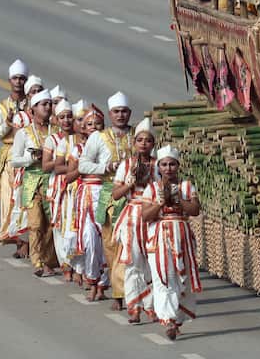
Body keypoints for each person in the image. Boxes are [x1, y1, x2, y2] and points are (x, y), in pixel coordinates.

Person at [78, 92, 134, 309]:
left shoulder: (138, 135)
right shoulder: (98, 138)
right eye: (116, 112)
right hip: (109, 195)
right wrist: (105, 168)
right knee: (111, 245)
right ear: (110, 114)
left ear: (129, 113)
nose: (120, 115)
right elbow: (83, 165)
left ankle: (136, 291)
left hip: (135, 197)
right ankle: (119, 293)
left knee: (134, 246)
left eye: (124, 111)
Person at [142, 146, 202, 341]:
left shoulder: (186, 186)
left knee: (182, 279)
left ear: (178, 166)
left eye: (172, 164)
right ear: (158, 167)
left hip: (182, 235)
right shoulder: (151, 189)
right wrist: (160, 203)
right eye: (164, 164)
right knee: (163, 278)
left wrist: (178, 201)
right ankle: (167, 319)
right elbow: (145, 216)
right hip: (159, 237)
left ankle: (177, 320)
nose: (168, 168)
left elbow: (194, 210)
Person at [111, 118, 158, 323]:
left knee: (153, 263)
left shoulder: (159, 165)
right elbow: (115, 194)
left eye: (147, 141)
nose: (143, 144)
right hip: (132, 217)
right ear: (134, 143)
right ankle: (134, 307)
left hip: (152, 217)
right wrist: (130, 184)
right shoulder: (126, 165)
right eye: (140, 140)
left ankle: (151, 305)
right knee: (132, 263)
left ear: (153, 144)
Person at [10, 88, 58, 277]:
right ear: (33, 109)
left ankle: (48, 261)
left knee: (50, 224)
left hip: (52, 181)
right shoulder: (24, 133)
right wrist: (31, 158)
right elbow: (15, 159)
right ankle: (37, 261)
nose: (47, 107)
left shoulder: (56, 131)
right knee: (36, 223)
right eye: (43, 104)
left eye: (49, 104)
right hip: (32, 181)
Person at [0, 59, 32, 249]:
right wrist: (7, 123)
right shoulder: (1, 107)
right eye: (15, 78)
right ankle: (15, 239)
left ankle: (27, 240)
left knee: (26, 198)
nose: (18, 82)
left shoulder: (33, 104)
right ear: (9, 80)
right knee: (10, 198)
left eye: (22, 78)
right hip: (10, 158)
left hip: (30, 156)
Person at [70, 104, 109, 299]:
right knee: (89, 239)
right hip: (86, 195)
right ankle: (92, 279)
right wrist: (83, 167)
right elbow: (69, 176)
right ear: (83, 128)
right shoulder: (78, 149)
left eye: (98, 124)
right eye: (89, 124)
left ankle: (102, 285)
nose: (93, 126)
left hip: (106, 193)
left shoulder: (109, 146)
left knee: (106, 241)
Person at [43, 98, 76, 280]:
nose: (66, 121)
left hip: (76, 185)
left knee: (74, 223)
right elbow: (48, 166)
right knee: (60, 224)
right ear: (55, 119)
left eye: (69, 116)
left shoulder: (79, 138)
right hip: (59, 187)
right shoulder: (52, 139)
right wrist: (71, 167)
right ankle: (65, 265)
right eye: (62, 117)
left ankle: (75, 264)